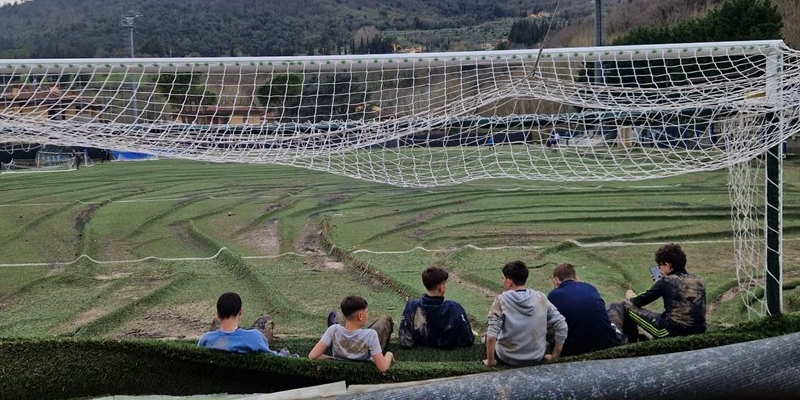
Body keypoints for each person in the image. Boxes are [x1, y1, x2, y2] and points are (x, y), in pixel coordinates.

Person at [608, 243, 707, 342]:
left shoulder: (666, 282)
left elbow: (638, 301)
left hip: (671, 331)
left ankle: (628, 341)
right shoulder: (699, 281)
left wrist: (630, 294)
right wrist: (660, 284)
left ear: (668, 265)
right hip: (700, 329)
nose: (659, 269)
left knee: (625, 305)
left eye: (660, 265)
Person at [484, 261, 567, 366]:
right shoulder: (540, 297)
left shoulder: (501, 300)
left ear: (509, 281)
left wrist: (490, 362)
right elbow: (562, 325)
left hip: (507, 357)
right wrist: (554, 356)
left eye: (503, 278)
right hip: (537, 356)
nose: (503, 281)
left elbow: (491, 336)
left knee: (485, 337)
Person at [548, 263, 623, 356]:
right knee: (615, 306)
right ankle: (633, 339)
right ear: (576, 278)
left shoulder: (553, 296)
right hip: (607, 342)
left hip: (572, 349)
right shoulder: (590, 288)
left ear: (555, 281)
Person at [308, 295, 395, 372]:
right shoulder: (371, 335)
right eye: (367, 312)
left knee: (334, 315)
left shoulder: (333, 330)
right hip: (366, 353)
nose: (368, 315)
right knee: (385, 320)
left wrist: (334, 359)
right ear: (360, 316)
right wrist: (389, 355)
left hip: (340, 349)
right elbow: (383, 367)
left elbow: (313, 356)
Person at [398, 267, 474, 349]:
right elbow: (467, 339)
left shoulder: (412, 306)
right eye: (445, 284)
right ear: (441, 287)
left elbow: (405, 340)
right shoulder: (453, 307)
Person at [197, 292, 287, 355]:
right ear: (240, 312)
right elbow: (272, 358)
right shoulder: (254, 338)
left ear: (217, 314)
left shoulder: (205, 339)